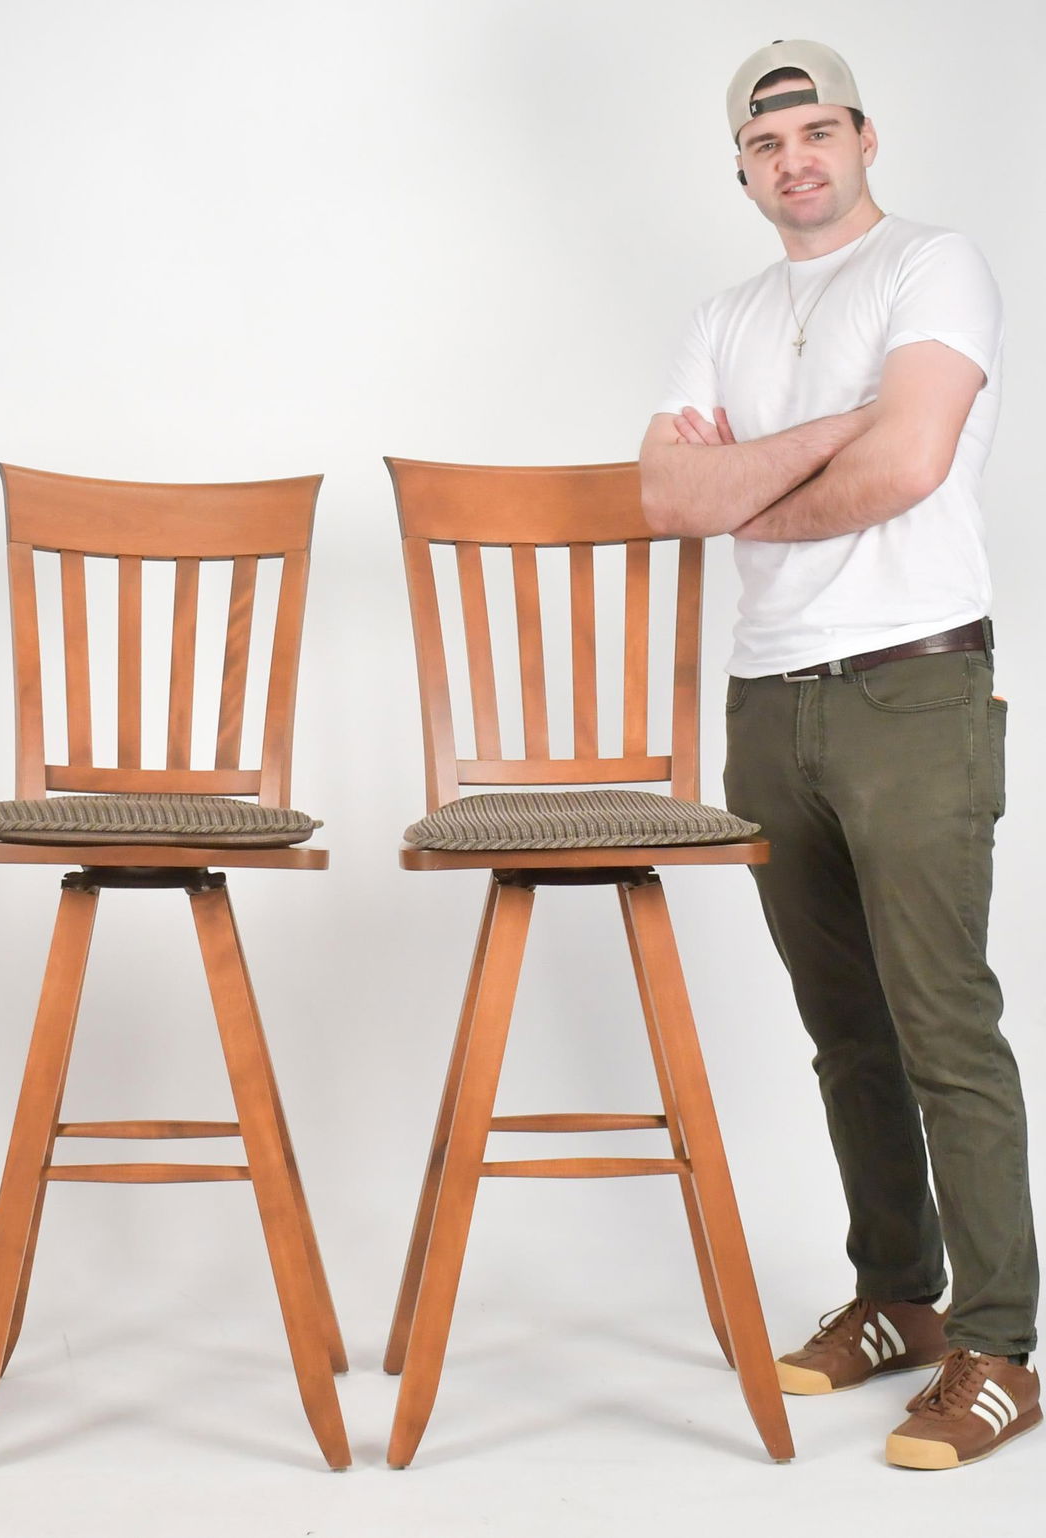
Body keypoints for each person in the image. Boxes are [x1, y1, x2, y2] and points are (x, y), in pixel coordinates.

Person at [638, 40, 1038, 1469]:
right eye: (766, 143)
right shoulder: (726, 312)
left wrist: (753, 481)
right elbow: (664, 492)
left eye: (817, 130)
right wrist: (831, 436)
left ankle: (1001, 1342)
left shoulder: (934, 267)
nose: (794, 158)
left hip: (914, 691)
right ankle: (898, 1297)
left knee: (944, 1022)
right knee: (844, 1032)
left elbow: (911, 463)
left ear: (865, 135)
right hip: (770, 703)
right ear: (740, 170)